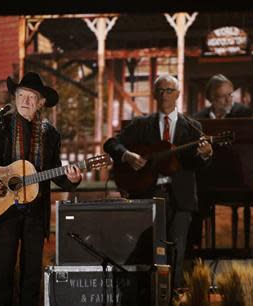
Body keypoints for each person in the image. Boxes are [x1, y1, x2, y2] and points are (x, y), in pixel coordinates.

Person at [0, 72, 82, 306]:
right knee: (1, 277)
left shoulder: (50, 134)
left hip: (35, 215)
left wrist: (73, 179)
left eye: (32, 96)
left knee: (31, 280)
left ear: (41, 102)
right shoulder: (0, 126)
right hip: (4, 212)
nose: (26, 101)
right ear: (15, 98)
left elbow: (55, 171)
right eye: (21, 95)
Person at [103, 74, 213, 289]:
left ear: (178, 94)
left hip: (181, 197)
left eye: (169, 90)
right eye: (160, 91)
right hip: (147, 194)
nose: (165, 95)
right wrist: (127, 156)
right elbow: (111, 144)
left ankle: (173, 297)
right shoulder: (141, 124)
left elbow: (201, 165)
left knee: (177, 251)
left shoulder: (192, 127)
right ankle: (147, 296)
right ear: (154, 94)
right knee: (148, 250)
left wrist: (206, 154)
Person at [190, 73, 252, 249]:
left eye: (230, 94)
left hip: (238, 176)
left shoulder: (244, 114)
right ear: (211, 98)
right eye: (222, 96)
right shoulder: (197, 119)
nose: (228, 100)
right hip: (207, 178)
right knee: (193, 193)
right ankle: (194, 249)